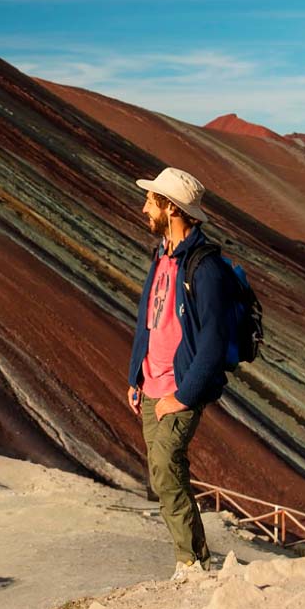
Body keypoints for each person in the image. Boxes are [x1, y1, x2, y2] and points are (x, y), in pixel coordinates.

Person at [126, 167, 233, 581]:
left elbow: (214, 339)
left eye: (151, 201)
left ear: (171, 208)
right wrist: (136, 376)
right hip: (152, 384)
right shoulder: (162, 258)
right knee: (162, 473)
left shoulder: (204, 268)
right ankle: (196, 560)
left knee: (168, 468)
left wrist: (183, 396)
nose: (144, 208)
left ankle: (191, 564)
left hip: (179, 387)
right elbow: (147, 322)